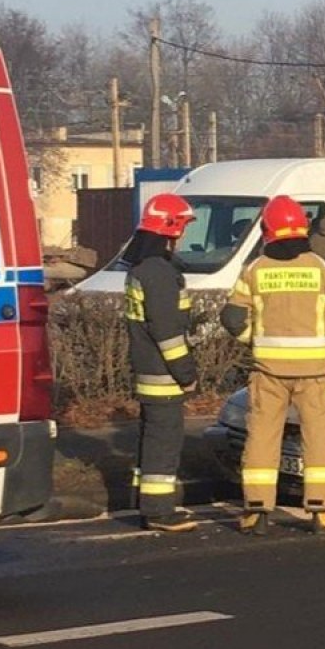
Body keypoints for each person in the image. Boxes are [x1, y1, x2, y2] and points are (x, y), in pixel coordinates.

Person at [221, 195, 325, 535]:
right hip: (315, 375)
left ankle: (257, 511)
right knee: (320, 439)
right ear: (303, 228)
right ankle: (323, 510)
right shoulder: (321, 267)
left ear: (267, 230)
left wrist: (253, 339)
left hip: (268, 373)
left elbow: (231, 317)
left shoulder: (255, 269)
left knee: (261, 437)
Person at [122, 193, 199, 532]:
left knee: (150, 438)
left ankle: (145, 502)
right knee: (163, 442)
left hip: (147, 370)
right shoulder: (160, 273)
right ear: (173, 228)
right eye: (183, 226)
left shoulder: (141, 269)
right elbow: (167, 333)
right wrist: (187, 374)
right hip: (164, 374)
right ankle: (159, 511)